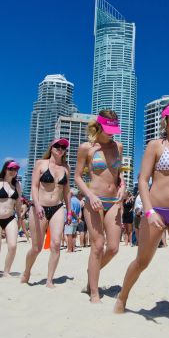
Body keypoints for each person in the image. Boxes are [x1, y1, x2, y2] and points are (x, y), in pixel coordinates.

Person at [115, 102, 169, 330]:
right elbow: (142, 180)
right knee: (142, 262)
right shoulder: (155, 146)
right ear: (166, 121)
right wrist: (149, 211)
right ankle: (122, 297)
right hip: (155, 210)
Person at [75, 111, 126, 302]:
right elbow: (78, 177)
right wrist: (89, 194)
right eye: (109, 129)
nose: (113, 133)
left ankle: (92, 271)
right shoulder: (87, 148)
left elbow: (118, 174)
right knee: (97, 246)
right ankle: (94, 291)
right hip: (93, 200)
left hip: (114, 201)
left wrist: (123, 185)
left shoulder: (118, 146)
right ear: (100, 126)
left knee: (113, 248)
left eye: (115, 129)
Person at [22, 139, 72, 287]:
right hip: (40, 207)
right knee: (36, 247)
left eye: (63, 147)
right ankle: (27, 271)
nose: (60, 149)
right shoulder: (40, 164)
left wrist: (69, 212)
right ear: (51, 147)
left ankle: (49, 279)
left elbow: (67, 191)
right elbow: (34, 185)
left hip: (57, 207)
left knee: (56, 244)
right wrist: (36, 205)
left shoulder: (66, 168)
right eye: (57, 146)